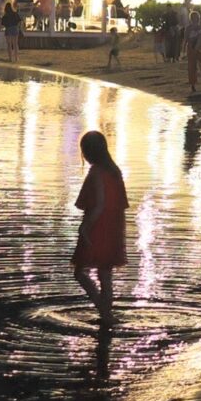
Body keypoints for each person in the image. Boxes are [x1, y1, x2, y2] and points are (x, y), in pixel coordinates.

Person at [70, 130, 128, 324]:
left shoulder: (96, 171)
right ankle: (107, 314)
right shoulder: (114, 170)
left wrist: (85, 227)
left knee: (80, 272)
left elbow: (100, 203)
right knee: (105, 274)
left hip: (98, 224)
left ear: (89, 152)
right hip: (114, 224)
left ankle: (104, 312)